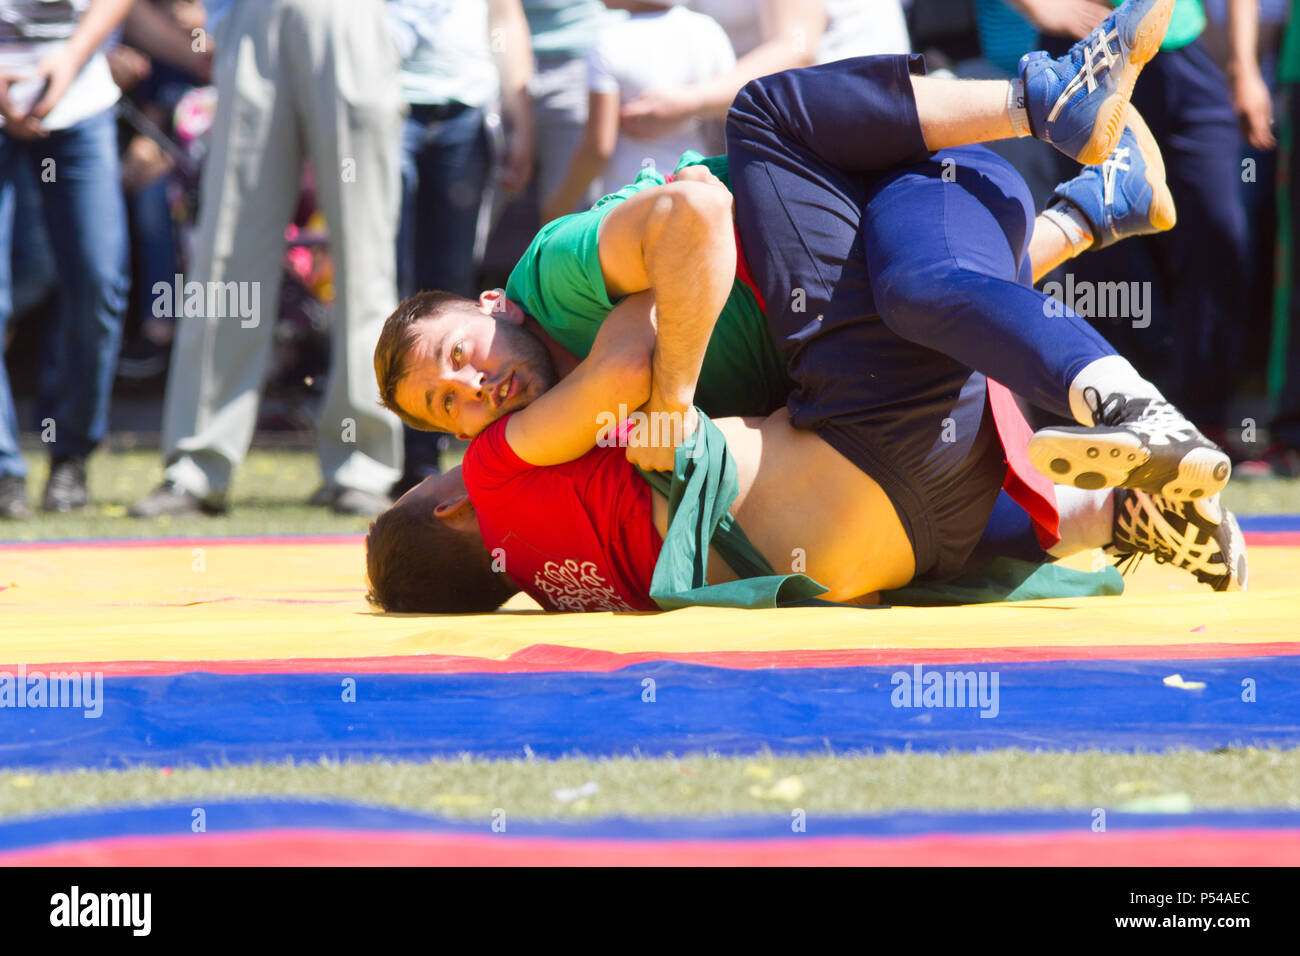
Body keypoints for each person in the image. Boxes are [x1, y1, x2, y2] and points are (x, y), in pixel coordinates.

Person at [378, 0, 1231, 522]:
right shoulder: (541, 439)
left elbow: (697, 218)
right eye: (447, 407)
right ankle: (1101, 236)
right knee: (914, 303)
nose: (472, 388)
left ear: (492, 304)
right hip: (893, 263)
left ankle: (1049, 107)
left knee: (763, 115)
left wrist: (671, 403)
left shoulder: (552, 273)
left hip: (906, 184)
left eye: (458, 358)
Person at [130, 0, 405, 520]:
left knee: (365, 256)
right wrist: (217, 19)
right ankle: (197, 463)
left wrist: (397, 32)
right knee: (227, 252)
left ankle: (363, 466)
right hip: (255, 16)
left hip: (355, 17)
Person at [388, 0, 535, 495]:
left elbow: (505, 15)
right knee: (382, 281)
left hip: (467, 110)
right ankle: (372, 457)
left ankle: (424, 460)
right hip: (384, 105)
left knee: (450, 290)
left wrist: (521, 117)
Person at [0, 0, 133, 518]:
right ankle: (4, 471)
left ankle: (71, 456)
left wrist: (74, 56)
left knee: (98, 280)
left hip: (80, 95)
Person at [541, 0, 735, 224]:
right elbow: (729, 117)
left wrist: (561, 204)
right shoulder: (707, 29)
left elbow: (598, 148)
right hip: (697, 195)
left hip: (628, 206)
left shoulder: (608, 41)